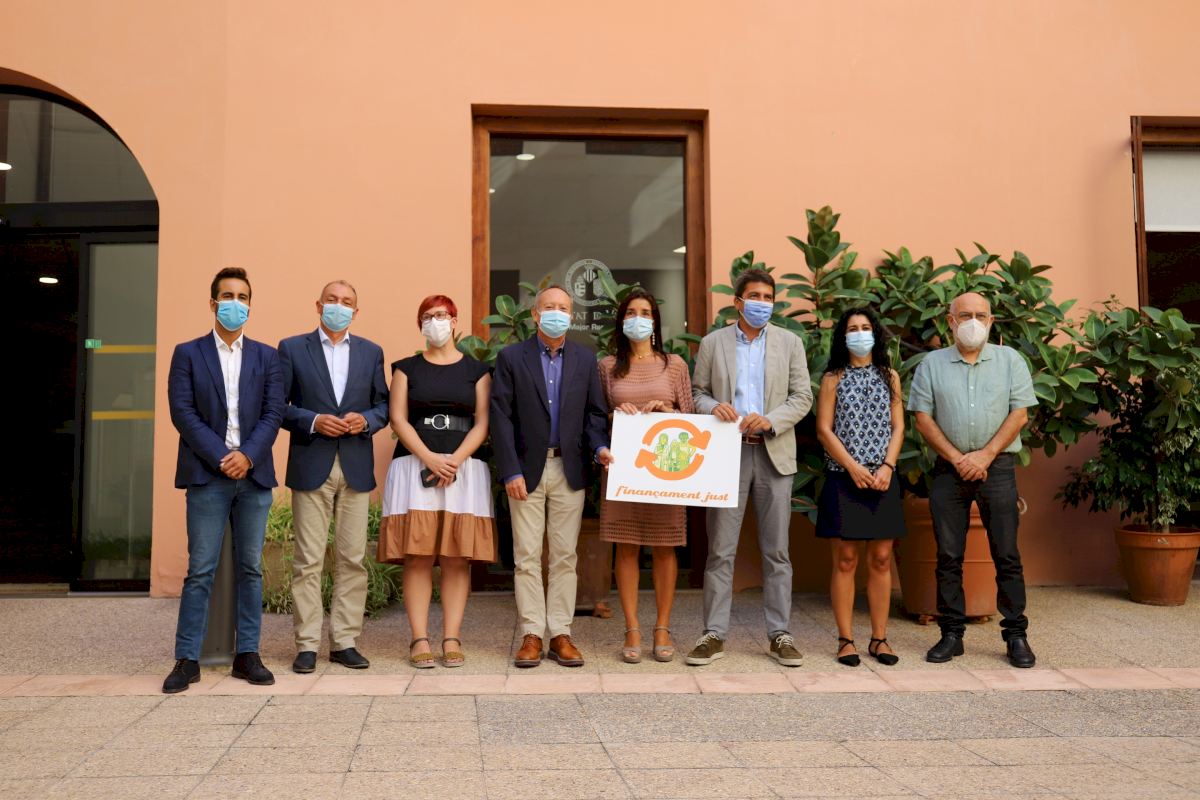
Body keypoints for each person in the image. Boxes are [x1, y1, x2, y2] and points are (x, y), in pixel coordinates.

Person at [163, 267, 284, 693]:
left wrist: (247, 456)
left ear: (250, 304)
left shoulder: (267, 357)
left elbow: (273, 413)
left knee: (250, 568)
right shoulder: (187, 353)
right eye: (228, 296)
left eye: (243, 296)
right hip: (207, 475)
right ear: (213, 303)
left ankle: (247, 654)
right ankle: (187, 659)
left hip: (254, 476)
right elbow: (183, 412)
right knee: (201, 569)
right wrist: (222, 456)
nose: (236, 303)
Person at [687, 267, 813, 667]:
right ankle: (713, 634)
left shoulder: (790, 343)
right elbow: (697, 393)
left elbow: (802, 396)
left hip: (774, 453)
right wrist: (713, 407)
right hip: (728, 454)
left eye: (768, 297)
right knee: (720, 550)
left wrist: (771, 419)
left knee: (777, 551)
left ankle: (780, 634)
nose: (762, 303)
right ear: (738, 302)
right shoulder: (713, 343)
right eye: (754, 296)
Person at [908, 291, 1038, 668]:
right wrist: (957, 458)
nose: (973, 322)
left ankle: (1016, 636)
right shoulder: (931, 364)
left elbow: (1019, 414)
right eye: (965, 315)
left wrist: (984, 455)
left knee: (1006, 554)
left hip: (997, 468)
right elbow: (922, 418)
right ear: (950, 321)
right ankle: (951, 635)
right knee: (948, 555)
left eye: (981, 315)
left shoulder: (1010, 361)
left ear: (991, 321)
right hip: (948, 471)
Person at [491, 284, 612, 668]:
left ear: (571, 316)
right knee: (526, 556)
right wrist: (510, 469)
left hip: (569, 468)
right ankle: (531, 633)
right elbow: (501, 417)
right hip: (525, 470)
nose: (557, 313)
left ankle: (560, 633)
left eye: (563, 308)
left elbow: (594, 414)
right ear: (535, 314)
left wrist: (599, 447)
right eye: (549, 306)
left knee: (564, 556)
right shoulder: (512, 358)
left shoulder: (585, 359)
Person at [277, 280, 389, 674]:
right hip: (311, 463)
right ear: (318, 305)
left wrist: (367, 420)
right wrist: (313, 421)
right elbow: (277, 406)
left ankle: (344, 641)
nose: (338, 306)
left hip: (355, 464)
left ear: (356, 312)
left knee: (352, 559)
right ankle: (307, 644)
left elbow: (384, 405)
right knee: (307, 560)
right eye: (332, 300)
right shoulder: (292, 348)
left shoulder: (371, 352)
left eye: (346, 302)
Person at [379, 295, 496, 668]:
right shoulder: (406, 369)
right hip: (415, 467)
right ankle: (419, 639)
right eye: (427, 316)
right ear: (420, 325)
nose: (435, 321)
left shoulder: (478, 371)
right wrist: (429, 458)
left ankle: (451, 637)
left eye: (442, 314)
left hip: (464, 469)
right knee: (418, 556)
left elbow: (482, 422)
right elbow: (398, 419)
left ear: (454, 320)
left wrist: (455, 460)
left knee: (456, 556)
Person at [597, 288, 694, 663]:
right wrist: (615, 414)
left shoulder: (675, 365)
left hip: (665, 469)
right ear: (621, 321)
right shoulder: (607, 367)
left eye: (645, 313)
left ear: (655, 321)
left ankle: (662, 627)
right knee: (626, 546)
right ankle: (633, 628)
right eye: (631, 313)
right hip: (622, 468)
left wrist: (668, 412)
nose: (638, 319)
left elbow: (691, 419)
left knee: (666, 546)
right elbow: (596, 417)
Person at [814, 307, 905, 667]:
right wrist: (852, 467)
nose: (860, 333)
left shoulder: (890, 376)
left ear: (875, 333)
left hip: (883, 478)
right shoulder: (832, 378)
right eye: (852, 328)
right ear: (843, 336)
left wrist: (888, 467)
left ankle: (879, 638)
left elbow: (898, 427)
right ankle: (845, 639)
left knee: (881, 559)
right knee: (846, 559)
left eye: (865, 327)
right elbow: (824, 430)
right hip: (844, 477)